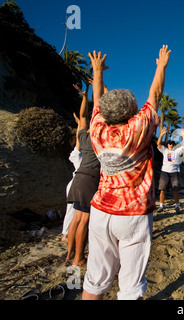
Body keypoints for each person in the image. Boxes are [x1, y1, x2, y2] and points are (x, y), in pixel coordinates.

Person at [81, 45, 170, 300]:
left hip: (100, 211)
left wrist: (97, 72)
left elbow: (97, 101)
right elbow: (155, 94)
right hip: (133, 215)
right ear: (132, 112)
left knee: (94, 279)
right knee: (131, 287)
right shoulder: (138, 130)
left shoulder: (97, 129)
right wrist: (161, 66)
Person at [66, 82, 101, 266]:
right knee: (84, 220)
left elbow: (81, 116)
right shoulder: (98, 138)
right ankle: (78, 258)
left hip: (78, 177)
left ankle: (69, 253)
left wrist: (84, 96)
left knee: (76, 217)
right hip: (90, 179)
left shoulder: (83, 136)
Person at [61, 110, 83, 242]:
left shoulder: (78, 156)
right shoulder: (76, 154)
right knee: (73, 210)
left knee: (73, 210)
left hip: (75, 183)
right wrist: (80, 124)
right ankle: (65, 234)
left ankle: (66, 233)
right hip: (76, 184)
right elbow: (79, 139)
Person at [156, 126, 184, 213]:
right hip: (165, 172)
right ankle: (161, 206)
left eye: (173, 143)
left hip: (174, 172)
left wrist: (183, 136)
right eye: (170, 143)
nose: (171, 145)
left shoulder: (177, 151)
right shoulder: (164, 150)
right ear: (167, 145)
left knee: (175, 190)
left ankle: (177, 206)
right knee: (162, 190)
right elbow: (158, 144)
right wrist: (161, 134)